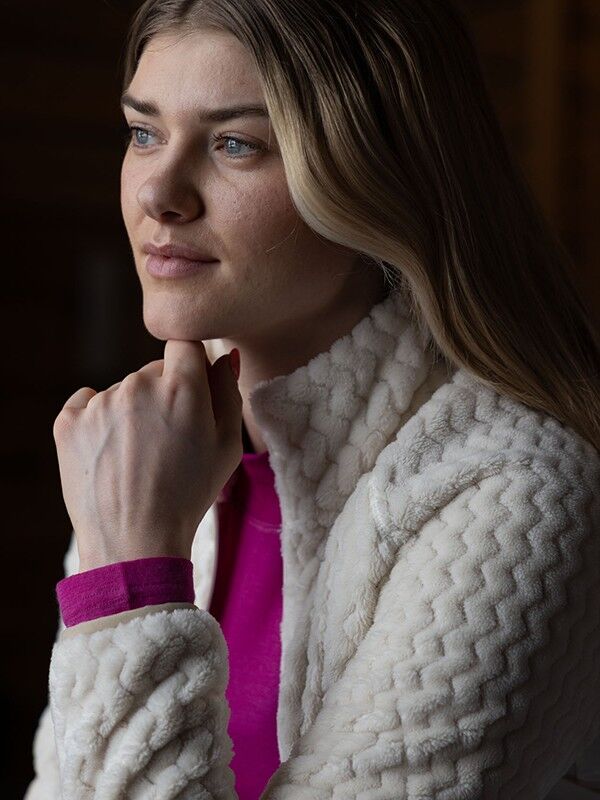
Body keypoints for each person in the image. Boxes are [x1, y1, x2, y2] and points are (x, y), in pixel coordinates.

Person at [25, 1, 600, 798]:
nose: (159, 192)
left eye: (236, 144)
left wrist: (131, 577)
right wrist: (130, 555)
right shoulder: (151, 456)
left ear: (377, 176)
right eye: (144, 132)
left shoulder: (523, 497)